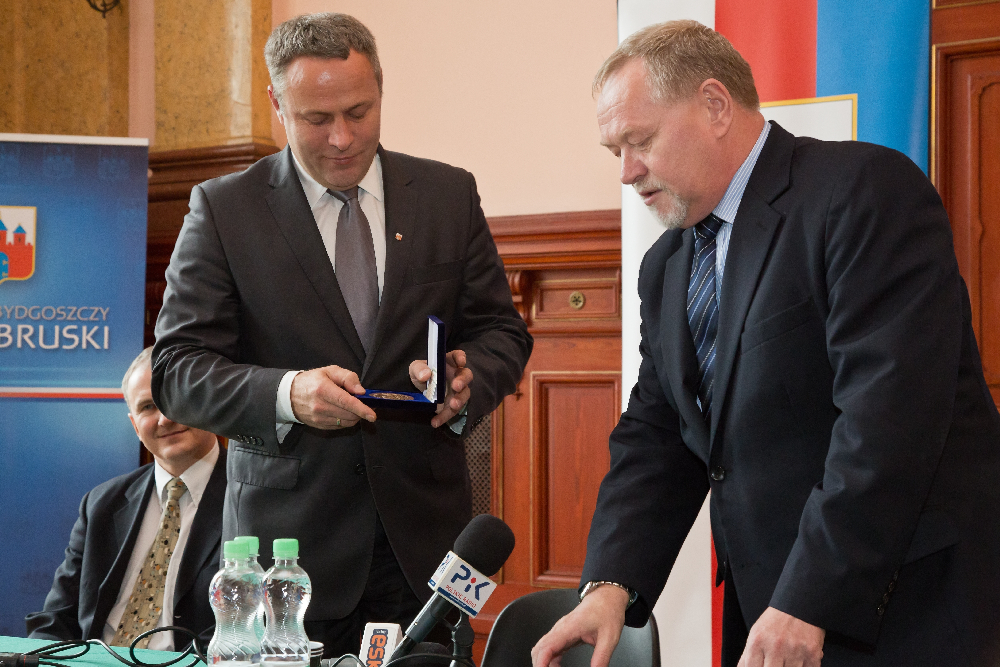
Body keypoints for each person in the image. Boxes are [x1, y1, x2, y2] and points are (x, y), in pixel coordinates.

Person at [532, 20, 1000, 667]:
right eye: (615, 150)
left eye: (639, 141)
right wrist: (610, 583)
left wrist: (810, 598)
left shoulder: (860, 191)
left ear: (715, 106)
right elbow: (657, 433)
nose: (627, 172)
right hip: (769, 614)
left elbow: (889, 420)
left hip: (905, 614)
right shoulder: (666, 266)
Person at [151, 13, 532, 656]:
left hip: (426, 553)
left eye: (359, 112)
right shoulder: (225, 209)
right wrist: (288, 394)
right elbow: (177, 371)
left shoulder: (446, 194)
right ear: (277, 105)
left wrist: (468, 377)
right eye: (316, 119)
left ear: (381, 90)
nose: (342, 138)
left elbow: (502, 332)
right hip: (286, 564)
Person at [26, 347, 226, 650]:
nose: (164, 418)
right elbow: (56, 619)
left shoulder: (252, 499)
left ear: (211, 404)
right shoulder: (102, 504)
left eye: (175, 399)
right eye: (148, 407)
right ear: (135, 426)